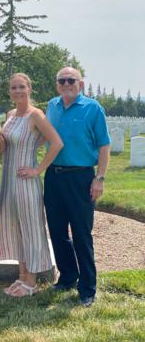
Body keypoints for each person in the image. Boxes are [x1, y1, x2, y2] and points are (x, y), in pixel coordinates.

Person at [0, 73, 63, 297]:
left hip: (25, 181)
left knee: (30, 228)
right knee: (14, 228)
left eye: (22, 87)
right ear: (9, 91)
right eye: (13, 87)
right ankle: (21, 277)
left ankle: (31, 282)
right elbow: (2, 145)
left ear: (29, 89)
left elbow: (57, 143)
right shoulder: (10, 115)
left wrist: (37, 169)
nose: (18, 91)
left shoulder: (36, 115)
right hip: (8, 181)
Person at [44, 66, 110, 308]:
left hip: (81, 177)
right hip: (53, 176)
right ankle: (68, 276)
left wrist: (99, 178)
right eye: (62, 80)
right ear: (57, 84)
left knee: (82, 234)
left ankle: (87, 287)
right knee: (57, 231)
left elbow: (104, 145)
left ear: (80, 84)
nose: (66, 83)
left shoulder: (93, 108)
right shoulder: (51, 106)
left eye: (71, 80)